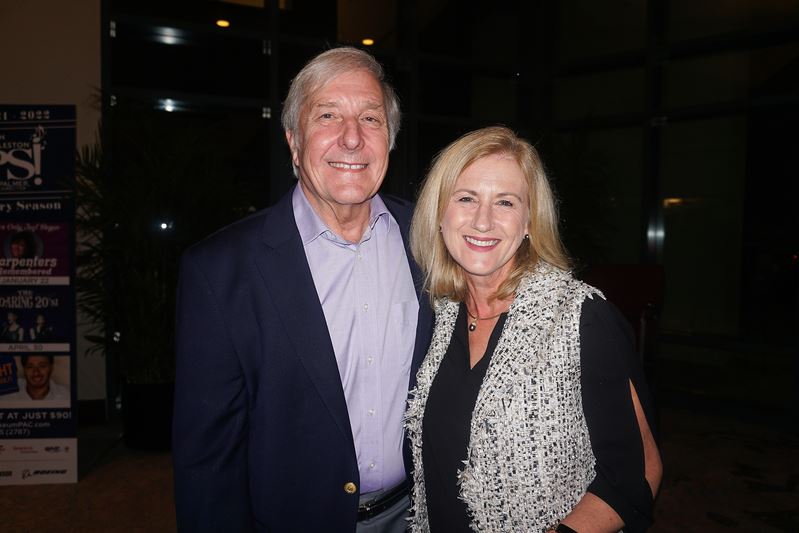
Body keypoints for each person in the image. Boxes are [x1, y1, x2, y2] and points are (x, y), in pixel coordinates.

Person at [172, 47, 433, 532]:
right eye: (328, 116)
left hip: (418, 515)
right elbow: (207, 460)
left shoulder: (433, 241)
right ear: (293, 141)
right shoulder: (220, 271)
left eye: (370, 118)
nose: (352, 138)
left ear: (390, 140)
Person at [405, 126, 663, 532]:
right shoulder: (438, 316)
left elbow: (635, 474)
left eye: (505, 202)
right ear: (439, 214)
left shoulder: (581, 318)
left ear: (529, 221)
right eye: (466, 198)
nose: (483, 221)